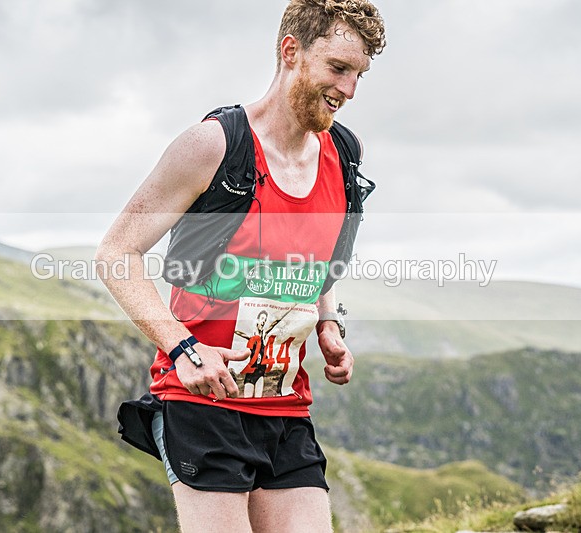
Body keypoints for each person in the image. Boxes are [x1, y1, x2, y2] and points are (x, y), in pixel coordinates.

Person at [96, 1, 385, 530]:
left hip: (286, 408)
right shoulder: (214, 145)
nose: (349, 90)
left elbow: (316, 260)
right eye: (339, 68)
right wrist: (182, 346)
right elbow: (116, 254)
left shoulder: (344, 154)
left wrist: (327, 323)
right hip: (203, 403)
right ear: (291, 51)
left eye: (359, 75)